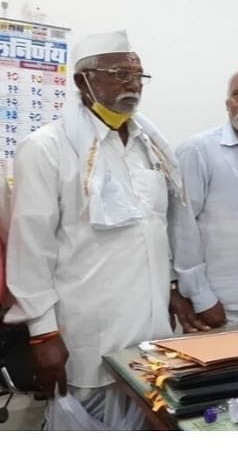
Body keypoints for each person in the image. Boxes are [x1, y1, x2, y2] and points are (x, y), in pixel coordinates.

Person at [4, 30, 184, 429]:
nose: (132, 84)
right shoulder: (46, 147)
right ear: (82, 80)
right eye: (119, 74)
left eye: (137, 75)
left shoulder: (149, 146)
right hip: (88, 335)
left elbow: (154, 230)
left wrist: (172, 290)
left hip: (152, 334)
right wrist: (43, 333)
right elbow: (30, 251)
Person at [169, 68, 238, 330]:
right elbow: (181, 226)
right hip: (216, 302)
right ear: (228, 103)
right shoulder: (198, 150)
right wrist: (201, 297)